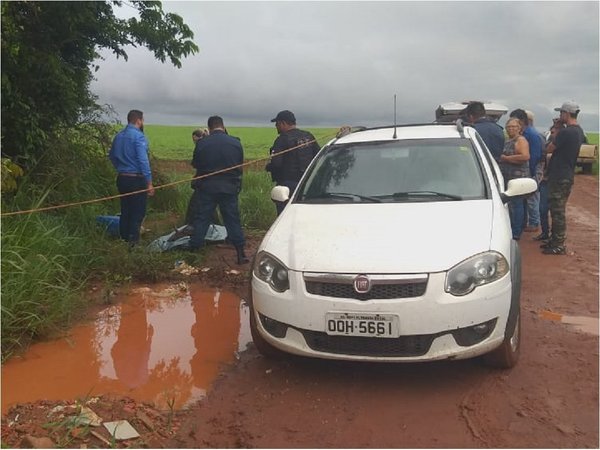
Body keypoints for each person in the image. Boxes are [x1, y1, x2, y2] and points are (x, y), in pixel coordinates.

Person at [188, 116, 248, 264]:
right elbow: (239, 166)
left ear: (209, 128)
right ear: (222, 125)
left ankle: (194, 254)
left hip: (207, 188)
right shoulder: (236, 142)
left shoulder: (202, 143)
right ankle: (240, 254)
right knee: (232, 219)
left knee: (202, 218)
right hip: (229, 187)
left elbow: (196, 165)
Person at [540, 101, 586, 255]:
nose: (559, 116)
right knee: (556, 209)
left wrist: (558, 129)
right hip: (566, 173)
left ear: (566, 113)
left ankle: (558, 243)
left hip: (559, 175)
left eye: (561, 113)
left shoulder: (566, 132)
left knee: (557, 211)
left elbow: (549, 148)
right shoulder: (579, 131)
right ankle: (555, 240)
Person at [108, 109, 155, 245]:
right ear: (139, 121)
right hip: (136, 179)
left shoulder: (119, 136)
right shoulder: (139, 137)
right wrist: (149, 182)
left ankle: (123, 240)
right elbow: (143, 161)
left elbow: (112, 156)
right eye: (142, 120)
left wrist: (120, 168)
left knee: (125, 210)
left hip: (122, 178)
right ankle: (133, 243)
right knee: (137, 211)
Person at [266, 110, 320, 215]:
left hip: (287, 185)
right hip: (307, 184)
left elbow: (276, 164)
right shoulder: (308, 136)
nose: (276, 127)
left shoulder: (282, 139)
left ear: (283, 123)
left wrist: (268, 167)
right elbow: (318, 157)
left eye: (277, 124)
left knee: (286, 215)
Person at [509, 109, 543, 233]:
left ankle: (534, 223)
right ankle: (527, 222)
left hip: (531, 170)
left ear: (522, 121)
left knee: (531, 197)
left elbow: (533, 156)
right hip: (529, 170)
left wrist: (531, 174)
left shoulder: (530, 135)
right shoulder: (527, 133)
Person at [534, 119, 565, 242]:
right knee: (542, 209)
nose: (552, 133)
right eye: (551, 131)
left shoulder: (561, 147)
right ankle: (545, 232)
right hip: (545, 180)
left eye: (555, 132)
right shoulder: (547, 144)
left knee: (554, 210)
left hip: (554, 180)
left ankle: (553, 235)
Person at [499, 117, 530, 240]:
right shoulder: (509, 140)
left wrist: (506, 159)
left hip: (518, 177)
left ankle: (517, 231)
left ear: (519, 128)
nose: (511, 129)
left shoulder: (521, 140)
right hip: (509, 176)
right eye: (509, 127)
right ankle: (514, 228)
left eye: (514, 126)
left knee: (517, 204)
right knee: (512, 204)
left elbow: (525, 156)